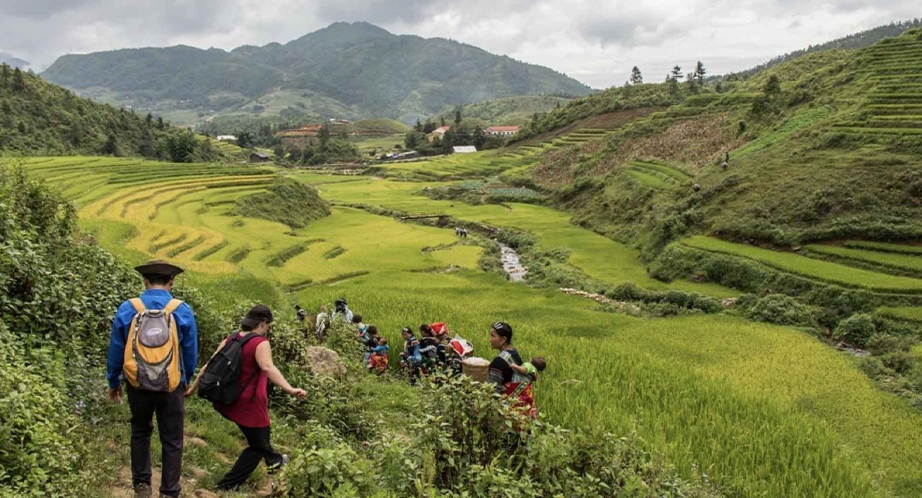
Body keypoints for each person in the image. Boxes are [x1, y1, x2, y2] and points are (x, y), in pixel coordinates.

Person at [185, 305, 307, 491]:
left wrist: (191, 389)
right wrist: (290, 389)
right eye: (268, 325)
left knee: (260, 439)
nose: (267, 329)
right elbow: (268, 367)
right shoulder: (260, 342)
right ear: (263, 323)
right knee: (258, 445)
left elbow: (209, 365)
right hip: (250, 404)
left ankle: (275, 460)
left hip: (229, 400)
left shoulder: (231, 338)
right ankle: (226, 486)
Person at [107, 260, 198, 498]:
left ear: (145, 281)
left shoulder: (129, 308)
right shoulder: (182, 310)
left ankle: (142, 485)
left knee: (140, 431)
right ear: (172, 282)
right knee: (172, 438)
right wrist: (186, 377)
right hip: (171, 384)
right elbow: (190, 351)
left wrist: (113, 381)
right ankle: (169, 491)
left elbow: (116, 348)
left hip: (137, 382)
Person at [486, 321, 537, 419]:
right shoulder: (514, 353)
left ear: (503, 339)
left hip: (508, 413)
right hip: (522, 407)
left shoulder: (498, 363)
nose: (490, 339)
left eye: (493, 336)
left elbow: (492, 391)